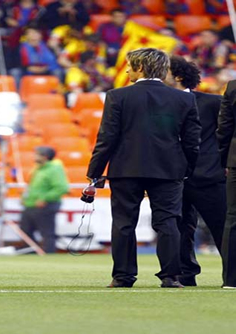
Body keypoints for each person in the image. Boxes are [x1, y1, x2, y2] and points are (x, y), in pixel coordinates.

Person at [87, 48, 201, 288]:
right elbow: (192, 141)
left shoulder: (117, 96)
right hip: (169, 170)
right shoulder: (184, 98)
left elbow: (107, 138)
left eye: (129, 65)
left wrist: (95, 172)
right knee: (168, 222)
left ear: (140, 67)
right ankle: (170, 276)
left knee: (124, 223)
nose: (126, 69)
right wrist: (188, 168)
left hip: (125, 169)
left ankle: (123, 277)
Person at [166, 56, 226, 287]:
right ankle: (184, 275)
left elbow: (229, 133)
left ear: (179, 76)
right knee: (179, 230)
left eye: (166, 71)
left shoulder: (213, 102)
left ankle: (232, 275)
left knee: (223, 227)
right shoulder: (159, 103)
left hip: (209, 176)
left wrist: (224, 164)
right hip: (172, 178)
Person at [19, 146, 69, 253]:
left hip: (46, 205)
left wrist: (45, 198)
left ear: (45, 157)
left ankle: (49, 254)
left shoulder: (54, 169)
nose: (34, 156)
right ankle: (32, 251)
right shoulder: (37, 168)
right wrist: (25, 197)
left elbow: (62, 187)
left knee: (47, 232)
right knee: (25, 231)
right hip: (31, 204)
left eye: (37, 154)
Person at [217, 79, 236, 288]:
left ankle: (231, 279)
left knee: (233, 218)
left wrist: (224, 161)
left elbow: (224, 129)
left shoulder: (233, 87)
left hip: (235, 160)